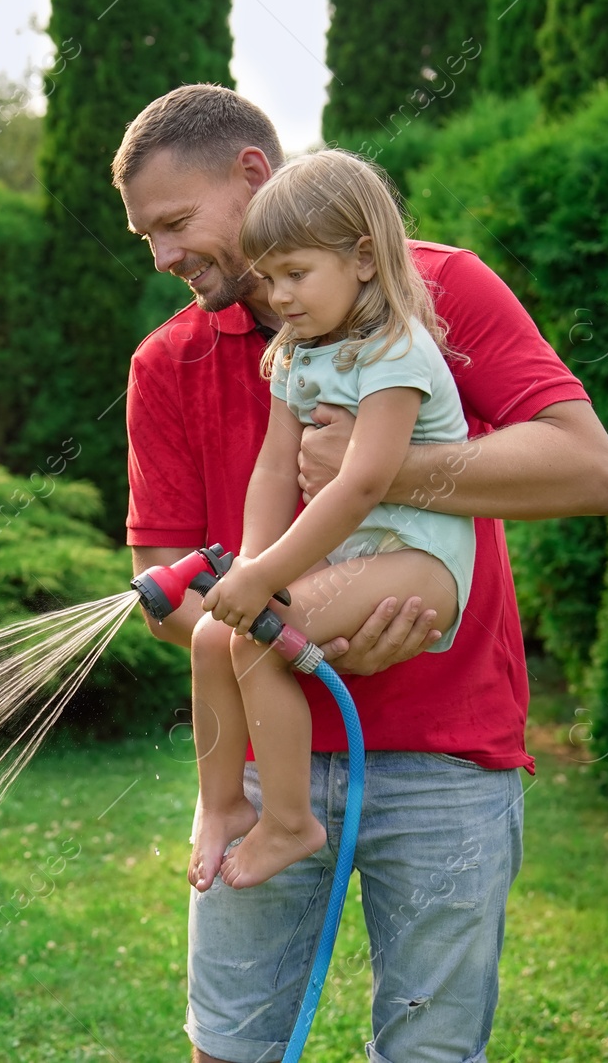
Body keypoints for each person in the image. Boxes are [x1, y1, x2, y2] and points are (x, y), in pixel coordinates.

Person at [115, 85, 608, 1063]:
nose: (162, 256)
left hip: (446, 754)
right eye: (145, 236)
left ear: (252, 177)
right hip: (267, 759)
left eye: (174, 223)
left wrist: (382, 468)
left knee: (430, 1051)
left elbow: (590, 469)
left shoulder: (433, 298)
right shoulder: (168, 365)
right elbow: (166, 587)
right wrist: (287, 629)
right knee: (231, 1045)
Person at [193, 149, 477, 891]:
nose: (278, 295)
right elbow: (272, 467)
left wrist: (266, 579)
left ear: (359, 256)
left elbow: (359, 486)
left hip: (420, 555)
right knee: (210, 634)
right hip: (364, 552)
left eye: (296, 274)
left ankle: (290, 821)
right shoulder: (298, 354)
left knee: (255, 641)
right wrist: (250, 564)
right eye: (269, 276)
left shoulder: (395, 349)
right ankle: (221, 801)